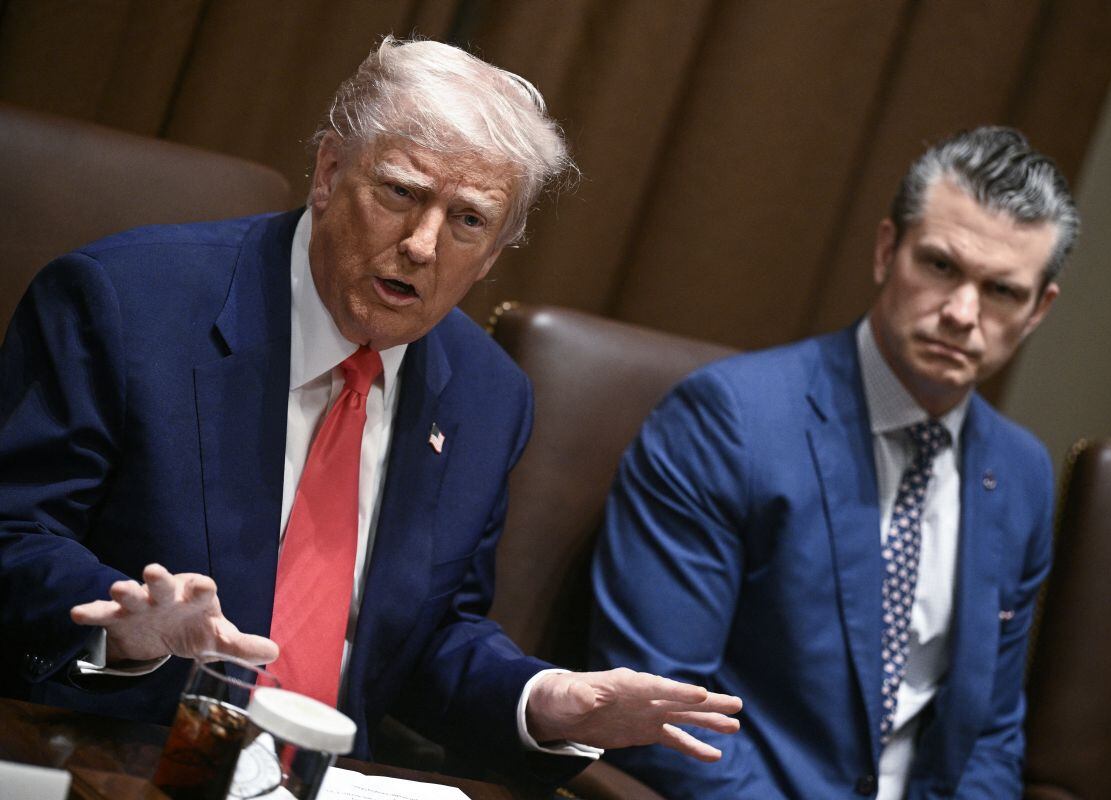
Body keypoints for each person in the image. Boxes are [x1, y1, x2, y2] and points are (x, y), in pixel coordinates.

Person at [0, 37, 740, 778]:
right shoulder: (125, 303)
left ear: (493, 254)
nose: (422, 245)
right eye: (401, 194)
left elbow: (428, 639)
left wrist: (542, 701)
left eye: (469, 220)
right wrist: (125, 629)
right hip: (107, 755)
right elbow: (16, 533)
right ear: (329, 172)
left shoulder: (487, 395)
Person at [590, 127, 1077, 798]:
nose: (962, 313)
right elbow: (664, 711)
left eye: (1001, 291)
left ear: (1038, 310)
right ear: (886, 251)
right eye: (940, 266)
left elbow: (989, 737)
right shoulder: (730, 422)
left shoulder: (1021, 474)